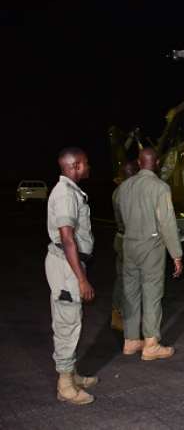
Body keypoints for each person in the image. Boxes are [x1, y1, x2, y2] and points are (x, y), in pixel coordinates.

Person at [116, 148, 183, 360]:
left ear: (138, 162)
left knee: (130, 293)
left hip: (129, 244)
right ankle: (151, 344)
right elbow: (167, 223)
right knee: (152, 293)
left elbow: (120, 218)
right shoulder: (160, 187)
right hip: (150, 246)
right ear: (157, 163)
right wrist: (176, 254)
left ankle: (131, 340)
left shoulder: (124, 187)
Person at [45, 147, 98, 405]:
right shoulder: (65, 194)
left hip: (70, 264)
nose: (89, 167)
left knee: (73, 318)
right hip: (67, 267)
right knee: (67, 322)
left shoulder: (71, 192)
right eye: (86, 163)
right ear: (75, 165)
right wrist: (81, 279)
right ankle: (65, 385)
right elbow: (67, 239)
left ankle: (72, 373)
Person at [111, 160, 138, 331]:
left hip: (120, 238)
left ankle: (116, 313)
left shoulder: (117, 191)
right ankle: (127, 317)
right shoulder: (131, 192)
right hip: (130, 240)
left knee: (121, 277)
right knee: (131, 279)